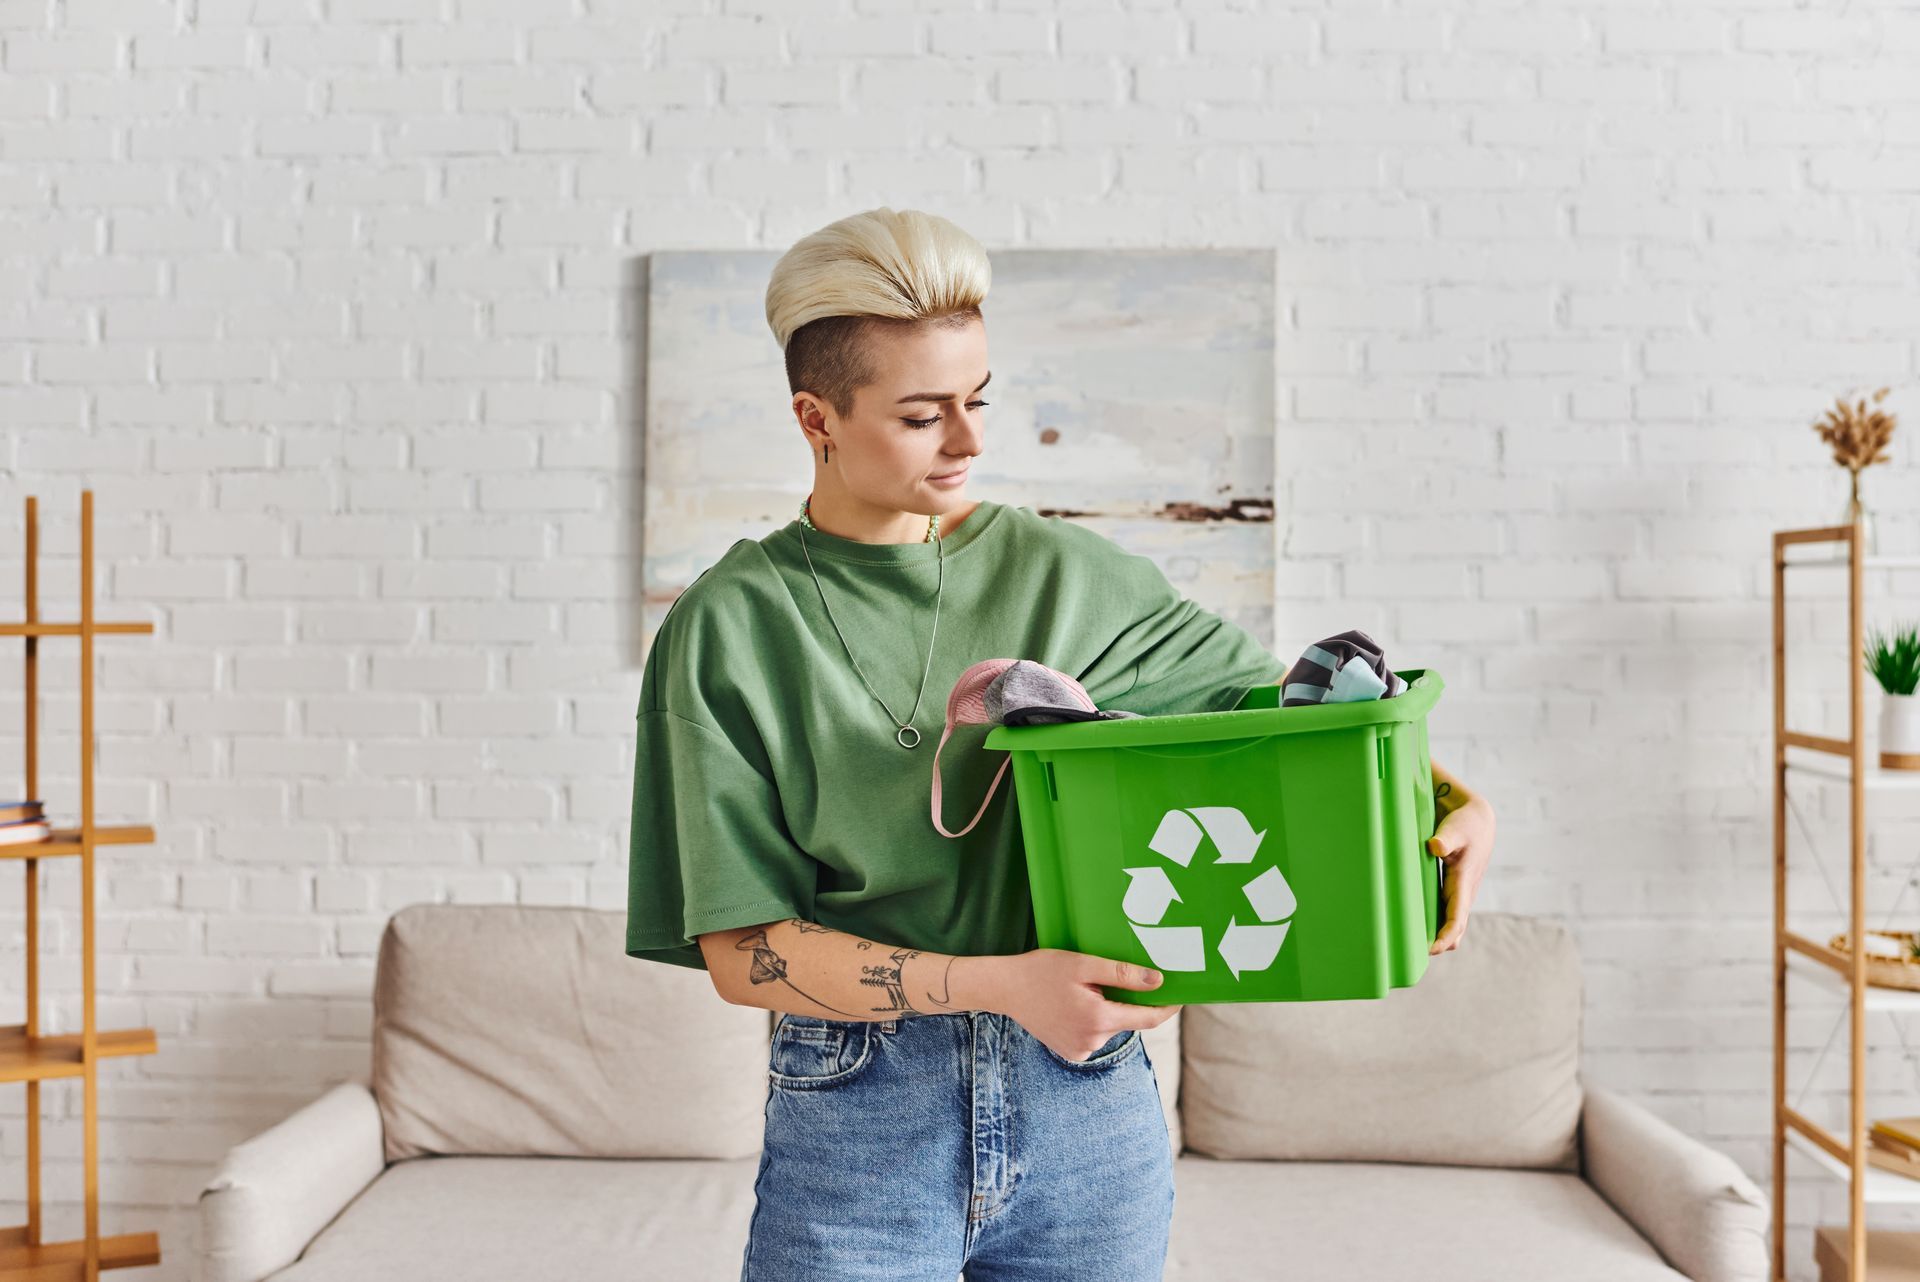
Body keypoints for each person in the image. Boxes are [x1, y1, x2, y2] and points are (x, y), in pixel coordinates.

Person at [624, 207, 1497, 1282]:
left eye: (977, 399)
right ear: (819, 418)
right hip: (857, 1116)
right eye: (920, 414)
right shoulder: (730, 626)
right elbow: (741, 952)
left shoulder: (1068, 574)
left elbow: (1284, 714)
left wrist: (1441, 798)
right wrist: (1001, 983)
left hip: (1088, 1105)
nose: (972, 439)